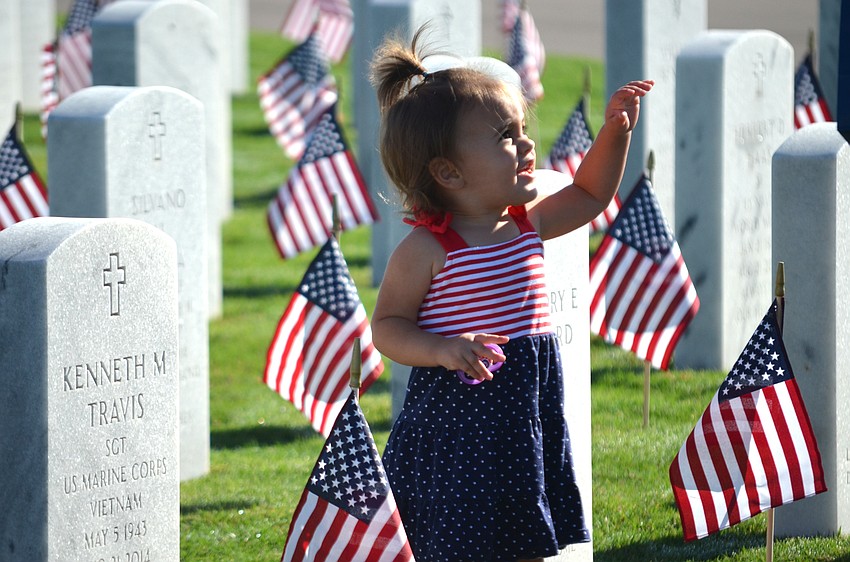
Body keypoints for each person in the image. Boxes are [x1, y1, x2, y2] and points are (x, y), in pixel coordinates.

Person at [369, 27, 653, 562]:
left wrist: (615, 133)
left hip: (524, 405)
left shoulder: (528, 224)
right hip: (461, 422)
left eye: (522, 129)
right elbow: (388, 326)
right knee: (460, 540)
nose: (526, 144)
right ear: (447, 171)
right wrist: (443, 348)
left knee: (523, 531)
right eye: (506, 135)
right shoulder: (429, 248)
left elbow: (591, 194)